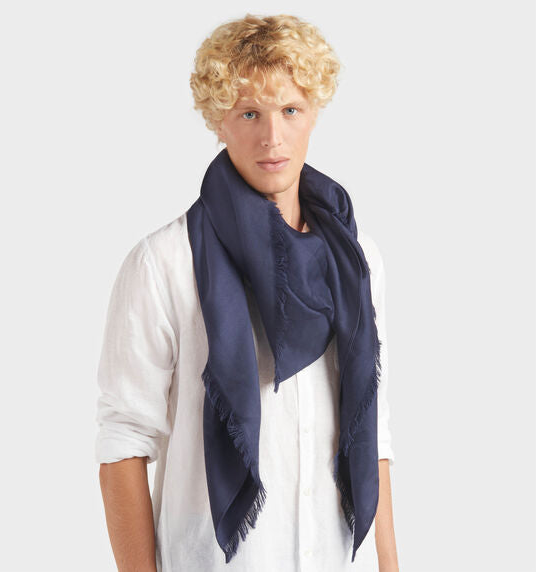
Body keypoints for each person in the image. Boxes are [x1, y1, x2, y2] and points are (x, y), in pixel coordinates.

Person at [95, 13, 399, 572]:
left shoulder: (357, 259)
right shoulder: (165, 263)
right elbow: (124, 444)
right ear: (219, 120)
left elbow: (371, 430)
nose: (272, 137)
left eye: (290, 110)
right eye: (250, 113)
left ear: (314, 112)